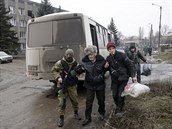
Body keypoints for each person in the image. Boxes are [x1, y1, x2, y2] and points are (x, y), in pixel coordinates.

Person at [71, 45, 106, 126]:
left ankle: (102, 114)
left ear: (95, 53)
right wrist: (73, 73)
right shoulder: (84, 62)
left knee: (101, 101)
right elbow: (77, 70)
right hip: (89, 85)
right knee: (88, 102)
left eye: (91, 54)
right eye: (88, 55)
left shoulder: (101, 60)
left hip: (100, 84)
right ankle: (88, 118)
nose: (90, 56)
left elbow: (106, 69)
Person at [104, 42, 136, 117]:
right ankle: (118, 106)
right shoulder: (108, 58)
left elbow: (130, 65)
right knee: (114, 95)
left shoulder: (122, 55)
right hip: (115, 80)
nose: (111, 50)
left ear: (115, 48)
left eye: (112, 48)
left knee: (120, 95)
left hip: (123, 78)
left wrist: (133, 76)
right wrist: (105, 67)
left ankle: (120, 109)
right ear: (108, 50)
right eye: (109, 49)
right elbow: (107, 68)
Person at [51, 49, 81, 127]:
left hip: (72, 85)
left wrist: (75, 74)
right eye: (67, 55)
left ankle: (76, 113)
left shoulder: (75, 64)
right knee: (61, 102)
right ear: (65, 55)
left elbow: (79, 72)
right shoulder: (60, 63)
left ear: (72, 56)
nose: (68, 57)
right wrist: (58, 78)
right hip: (62, 85)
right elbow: (54, 70)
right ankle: (61, 118)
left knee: (74, 100)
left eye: (70, 56)